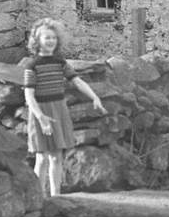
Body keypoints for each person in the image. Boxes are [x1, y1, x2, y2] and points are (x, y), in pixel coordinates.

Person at [21, 18, 107, 197]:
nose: (50, 41)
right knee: (42, 157)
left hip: (59, 110)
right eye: (46, 38)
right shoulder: (32, 65)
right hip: (41, 112)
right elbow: (29, 95)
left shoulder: (60, 62)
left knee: (56, 156)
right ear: (37, 41)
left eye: (53, 37)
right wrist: (40, 117)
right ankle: (39, 197)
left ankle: (56, 196)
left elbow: (77, 81)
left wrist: (95, 97)